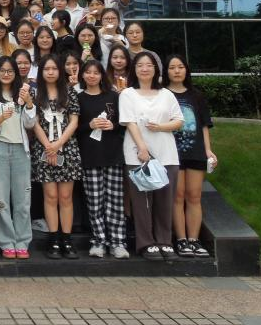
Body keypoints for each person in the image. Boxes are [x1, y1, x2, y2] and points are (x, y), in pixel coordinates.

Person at [119, 51, 184, 261]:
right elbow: (129, 122)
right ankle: (146, 243)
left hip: (167, 154)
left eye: (149, 65)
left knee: (165, 200)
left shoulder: (166, 94)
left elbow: (178, 120)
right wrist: (142, 148)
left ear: (156, 69)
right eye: (140, 65)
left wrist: (160, 127)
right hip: (137, 155)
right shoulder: (127, 94)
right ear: (134, 70)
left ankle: (164, 241)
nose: (144, 69)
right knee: (142, 203)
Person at [165, 54, 217, 259]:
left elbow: (204, 125)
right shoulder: (163, 94)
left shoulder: (196, 96)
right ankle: (181, 239)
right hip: (172, 153)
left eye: (180, 67)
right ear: (166, 71)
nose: (177, 71)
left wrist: (208, 150)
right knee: (177, 197)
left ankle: (194, 240)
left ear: (186, 70)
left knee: (194, 196)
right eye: (172, 67)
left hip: (195, 152)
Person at [31, 54, 82, 259]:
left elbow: (74, 121)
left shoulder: (69, 92)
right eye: (46, 69)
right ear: (41, 72)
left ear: (60, 71)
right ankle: (53, 239)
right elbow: (34, 122)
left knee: (66, 196)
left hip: (67, 148)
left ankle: (66, 239)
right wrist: (48, 146)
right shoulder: (35, 93)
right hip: (44, 148)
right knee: (50, 196)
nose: (50, 72)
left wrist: (58, 145)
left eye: (54, 69)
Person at [77, 60, 128, 259]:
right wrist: (89, 125)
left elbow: (125, 122)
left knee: (115, 201)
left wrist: (113, 126)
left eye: (96, 72)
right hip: (90, 156)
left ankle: (117, 242)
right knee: (94, 201)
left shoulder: (113, 96)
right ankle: (98, 240)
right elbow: (74, 128)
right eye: (88, 72)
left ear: (101, 76)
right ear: (82, 75)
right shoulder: (78, 98)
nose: (91, 76)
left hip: (112, 154)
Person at [0, 56, 36, 259]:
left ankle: (22, 241)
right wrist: (0, 118)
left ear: (16, 73)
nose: (6, 74)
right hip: (0, 148)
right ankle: (7, 241)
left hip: (20, 150)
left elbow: (30, 124)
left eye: (10, 71)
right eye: (2, 70)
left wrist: (29, 103)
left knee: (23, 199)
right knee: (1, 199)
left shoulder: (23, 93)